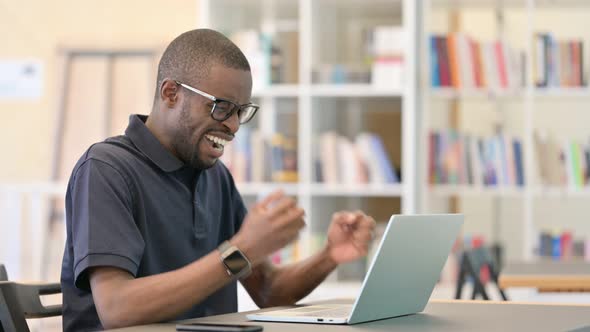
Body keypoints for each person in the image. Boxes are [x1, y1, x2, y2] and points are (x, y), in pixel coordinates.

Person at [60, 28, 376, 331]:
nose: (235, 126)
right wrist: (240, 249)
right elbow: (117, 308)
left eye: (241, 111)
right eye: (222, 107)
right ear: (171, 94)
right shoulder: (107, 169)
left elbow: (267, 291)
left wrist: (329, 255)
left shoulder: (215, 177)